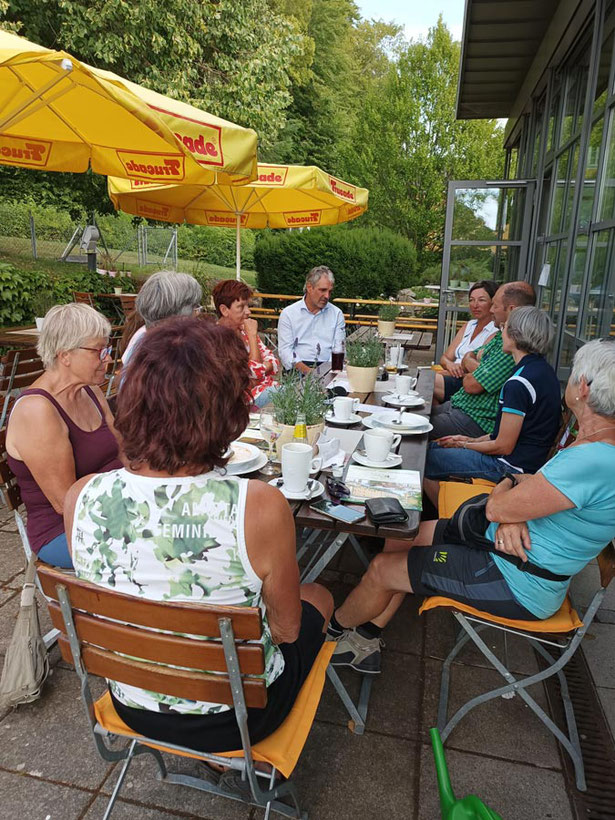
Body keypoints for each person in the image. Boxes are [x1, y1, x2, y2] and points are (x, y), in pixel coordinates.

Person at [63, 317, 333, 753]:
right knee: (319, 595)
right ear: (228, 411)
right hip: (239, 719)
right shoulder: (259, 506)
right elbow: (285, 630)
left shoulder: (80, 497)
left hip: (130, 701)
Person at [328, 338, 615, 674]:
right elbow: (526, 492)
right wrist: (513, 508)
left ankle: (328, 632)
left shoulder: (594, 460)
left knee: (381, 570)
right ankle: (366, 638)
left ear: (582, 387)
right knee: (403, 537)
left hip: (516, 578)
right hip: (497, 540)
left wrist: (508, 502)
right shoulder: (596, 446)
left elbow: (501, 505)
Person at [5, 303, 122, 569]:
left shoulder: (89, 391)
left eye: (108, 349)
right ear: (65, 354)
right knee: (165, 544)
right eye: (99, 351)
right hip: (65, 530)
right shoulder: (37, 411)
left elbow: (123, 449)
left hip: (112, 508)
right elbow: (66, 502)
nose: (108, 359)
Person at [424, 307, 561, 494]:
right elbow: (502, 435)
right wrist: (468, 440)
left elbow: (503, 445)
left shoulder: (518, 383)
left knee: (426, 457)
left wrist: (464, 444)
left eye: (505, 328)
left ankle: (457, 520)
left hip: (511, 467)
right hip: (526, 460)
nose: (501, 333)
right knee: (434, 447)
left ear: (515, 335)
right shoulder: (541, 370)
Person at [429, 281, 536, 440]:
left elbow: (471, 385)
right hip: (462, 405)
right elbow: (469, 355)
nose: (491, 309)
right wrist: (472, 362)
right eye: (471, 300)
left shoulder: (513, 345)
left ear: (512, 310)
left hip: (474, 419)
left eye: (495, 305)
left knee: (416, 424)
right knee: (417, 410)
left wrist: (469, 363)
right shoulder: (501, 336)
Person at [212, 279, 280, 407]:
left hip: (263, 391)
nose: (248, 312)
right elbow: (255, 373)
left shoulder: (243, 330)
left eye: (248, 306)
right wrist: (253, 336)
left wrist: (257, 374)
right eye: (241, 307)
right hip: (242, 404)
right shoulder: (216, 339)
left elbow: (274, 362)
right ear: (224, 310)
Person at [121, 270, 202, 367]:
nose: (197, 315)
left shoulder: (143, 339)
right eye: (195, 308)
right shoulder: (172, 354)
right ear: (179, 316)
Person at [434, 280, 498, 403]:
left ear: (493, 303)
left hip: (466, 382)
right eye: (471, 300)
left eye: (481, 300)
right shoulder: (469, 325)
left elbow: (478, 370)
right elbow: (445, 358)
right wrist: (450, 365)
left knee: (425, 382)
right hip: (450, 375)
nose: (475, 305)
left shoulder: (495, 332)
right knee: (428, 393)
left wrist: (449, 371)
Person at [277, 266, 346, 373]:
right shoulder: (289, 314)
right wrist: (308, 371)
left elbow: (338, 348)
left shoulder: (336, 314)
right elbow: (285, 351)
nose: (327, 296)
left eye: (330, 291)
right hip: (297, 368)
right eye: (322, 290)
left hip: (328, 368)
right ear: (309, 287)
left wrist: (324, 371)